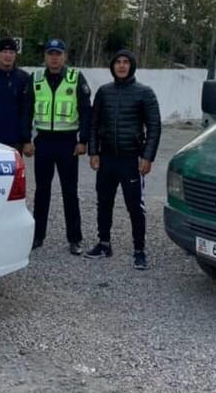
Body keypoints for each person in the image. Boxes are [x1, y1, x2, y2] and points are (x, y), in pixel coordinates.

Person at [85, 49, 161, 270]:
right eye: (117, 61)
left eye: (126, 62)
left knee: (135, 206)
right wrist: (93, 152)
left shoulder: (144, 92)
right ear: (112, 66)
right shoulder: (104, 92)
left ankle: (139, 250)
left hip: (131, 159)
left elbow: (154, 127)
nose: (121, 65)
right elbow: (94, 124)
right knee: (104, 202)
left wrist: (147, 157)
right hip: (107, 158)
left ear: (131, 66)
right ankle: (104, 244)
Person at [28, 38, 91, 254]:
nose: (54, 58)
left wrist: (83, 141)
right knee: (41, 191)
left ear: (64, 57)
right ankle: (38, 236)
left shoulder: (75, 78)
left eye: (58, 54)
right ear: (45, 56)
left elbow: (86, 111)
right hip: (44, 142)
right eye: (50, 54)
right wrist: (26, 139)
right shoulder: (36, 78)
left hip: (67, 143)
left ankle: (74, 238)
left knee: (70, 191)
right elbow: (26, 111)